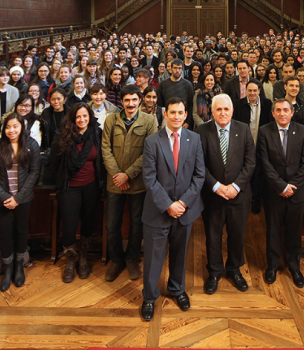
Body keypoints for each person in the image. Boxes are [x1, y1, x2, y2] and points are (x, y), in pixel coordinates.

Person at [139, 97, 205, 322]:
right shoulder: (152, 141)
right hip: (158, 210)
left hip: (185, 211)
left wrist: (183, 203)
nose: (176, 116)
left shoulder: (194, 139)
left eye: (180, 112)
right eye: (172, 112)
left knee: (180, 253)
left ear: (186, 115)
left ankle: (177, 289)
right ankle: (149, 297)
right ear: (165, 114)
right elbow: (149, 178)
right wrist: (168, 205)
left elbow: (199, 175)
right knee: (153, 257)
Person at [196, 94, 256, 295]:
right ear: (212, 111)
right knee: (213, 236)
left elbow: (250, 162)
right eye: (219, 109)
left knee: (237, 234)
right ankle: (214, 272)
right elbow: (199, 164)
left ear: (232, 111)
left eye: (226, 109)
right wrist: (216, 186)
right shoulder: (202, 131)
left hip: (238, 195)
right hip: (213, 195)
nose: (223, 113)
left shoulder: (244, 129)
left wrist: (235, 187)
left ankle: (234, 269)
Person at [101, 85, 158, 282]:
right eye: (127, 100)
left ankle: (132, 258)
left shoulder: (149, 121)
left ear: (140, 100)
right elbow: (105, 149)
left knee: (136, 224)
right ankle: (117, 260)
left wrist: (128, 175)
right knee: (112, 225)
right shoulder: (111, 120)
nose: (131, 104)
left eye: (134, 99)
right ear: (121, 101)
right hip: (114, 183)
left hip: (138, 182)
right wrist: (118, 175)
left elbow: (149, 152)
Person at [259, 99, 304, 287]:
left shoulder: (303, 131)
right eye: (278, 110)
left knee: (294, 231)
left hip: (297, 193)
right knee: (272, 231)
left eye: (285, 110)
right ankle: (272, 266)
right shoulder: (264, 132)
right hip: (274, 192)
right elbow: (265, 163)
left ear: (292, 112)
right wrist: (281, 186)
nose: (282, 113)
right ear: (273, 113)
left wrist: (292, 186)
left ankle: (294, 267)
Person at [0, 113, 42, 291]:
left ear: (22, 127)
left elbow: (34, 173)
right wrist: (5, 197)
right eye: (8, 127)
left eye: (15, 126)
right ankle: (7, 267)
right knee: (5, 233)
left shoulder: (31, 145)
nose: (11, 130)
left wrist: (18, 198)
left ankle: (19, 264)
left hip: (22, 199)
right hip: (0, 199)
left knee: (21, 230)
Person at [52, 103, 104, 283]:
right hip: (70, 187)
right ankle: (70, 258)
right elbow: (54, 163)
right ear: (73, 119)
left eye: (85, 116)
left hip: (91, 186)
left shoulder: (96, 134)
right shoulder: (63, 136)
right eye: (78, 117)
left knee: (88, 223)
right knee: (69, 225)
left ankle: (83, 256)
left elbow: (101, 159)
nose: (82, 120)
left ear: (90, 117)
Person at [234, 81, 273, 214]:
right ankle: (242, 199)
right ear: (246, 91)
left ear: (259, 91)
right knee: (244, 172)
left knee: (258, 173)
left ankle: (256, 200)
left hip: (261, 144)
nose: (252, 93)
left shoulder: (267, 104)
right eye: (249, 90)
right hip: (243, 145)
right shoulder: (238, 104)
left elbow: (270, 124)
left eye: (255, 90)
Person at [159, 59, 196, 129]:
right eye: (175, 68)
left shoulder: (187, 84)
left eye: (179, 68)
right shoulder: (163, 84)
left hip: (184, 122)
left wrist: (188, 122)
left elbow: (191, 105)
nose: (177, 70)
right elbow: (160, 105)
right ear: (171, 69)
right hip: (167, 120)